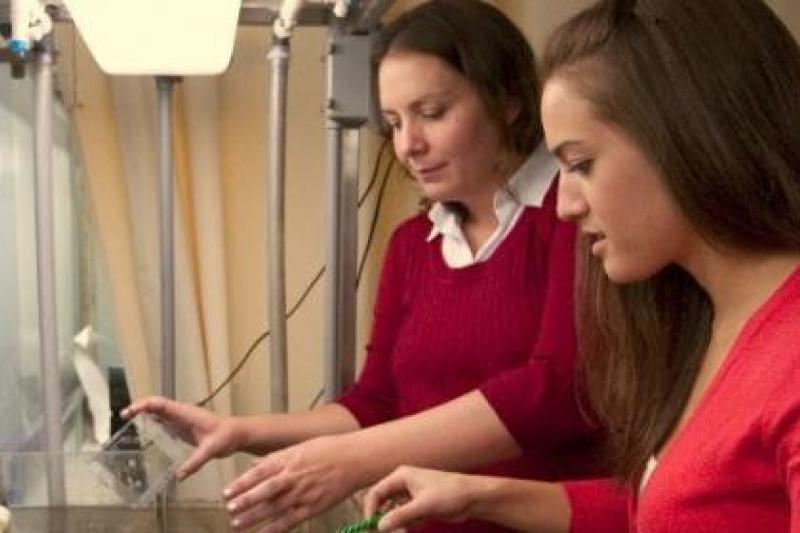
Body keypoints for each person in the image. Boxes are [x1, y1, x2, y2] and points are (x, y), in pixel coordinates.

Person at [124, 1, 605, 531]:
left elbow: (556, 390)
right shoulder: (412, 247)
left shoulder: (575, 213)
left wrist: (353, 460)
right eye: (395, 122)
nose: (407, 145)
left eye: (432, 113)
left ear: (509, 100)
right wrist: (239, 431)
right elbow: (377, 401)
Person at [363, 0, 800, 531]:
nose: (566, 204)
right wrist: (480, 494)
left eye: (582, 165)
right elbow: (675, 509)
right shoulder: (705, 323)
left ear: (687, 136)